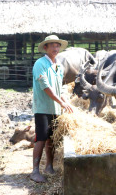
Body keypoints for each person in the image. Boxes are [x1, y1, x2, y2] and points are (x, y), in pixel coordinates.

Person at [30, 35, 73, 183]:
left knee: (52, 139)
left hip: (56, 108)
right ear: (46, 48)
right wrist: (61, 102)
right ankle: (35, 171)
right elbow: (45, 87)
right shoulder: (39, 64)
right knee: (41, 139)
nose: (55, 48)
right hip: (42, 108)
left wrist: (65, 101)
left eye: (57, 46)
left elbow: (59, 87)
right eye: (52, 46)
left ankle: (49, 166)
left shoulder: (59, 66)